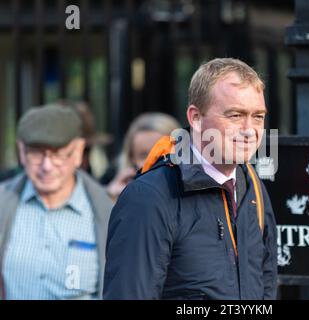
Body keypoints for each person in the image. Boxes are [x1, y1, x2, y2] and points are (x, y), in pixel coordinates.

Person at [103, 58, 277, 300]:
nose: (249, 129)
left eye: (258, 116)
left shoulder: (252, 186)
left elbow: (266, 285)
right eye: (236, 115)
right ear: (195, 118)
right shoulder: (149, 197)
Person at [0, 104, 113, 300]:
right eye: (36, 153)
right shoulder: (4, 203)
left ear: (78, 151)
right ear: (21, 150)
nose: (47, 166)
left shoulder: (107, 212)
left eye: (58, 154)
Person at [102, 112, 180, 201]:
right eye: (144, 155)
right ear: (131, 160)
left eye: (161, 153)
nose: (152, 161)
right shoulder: (122, 196)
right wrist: (112, 200)